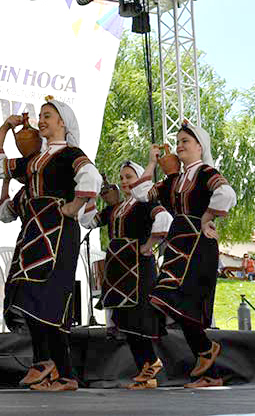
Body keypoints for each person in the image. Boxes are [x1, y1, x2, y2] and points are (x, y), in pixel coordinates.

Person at [0, 97, 101, 391]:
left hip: (59, 234)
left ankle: (51, 366)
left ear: (63, 123)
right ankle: (57, 370)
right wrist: (4, 128)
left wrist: (73, 206)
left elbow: (92, 177)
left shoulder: (71, 154)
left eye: (48, 116)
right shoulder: (34, 160)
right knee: (28, 293)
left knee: (44, 295)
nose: (41, 120)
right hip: (33, 233)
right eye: (41, 116)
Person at [132, 121, 236, 388]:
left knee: (179, 300)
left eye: (185, 141)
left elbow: (226, 194)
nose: (179, 146)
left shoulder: (206, 173)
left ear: (200, 146)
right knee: (171, 301)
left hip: (200, 246)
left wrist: (207, 217)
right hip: (178, 247)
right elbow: (140, 194)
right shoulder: (173, 181)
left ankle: (206, 366)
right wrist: (152, 164)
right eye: (177, 142)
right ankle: (207, 361)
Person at [79, 161, 172, 389]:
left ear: (139, 179)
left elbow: (166, 220)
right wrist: (93, 198)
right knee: (125, 320)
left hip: (139, 269)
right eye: (122, 177)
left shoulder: (145, 205)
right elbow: (88, 221)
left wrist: (149, 244)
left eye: (129, 177)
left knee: (138, 317)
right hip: (119, 270)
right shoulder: (115, 208)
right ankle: (146, 371)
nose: (124, 181)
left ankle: (151, 362)